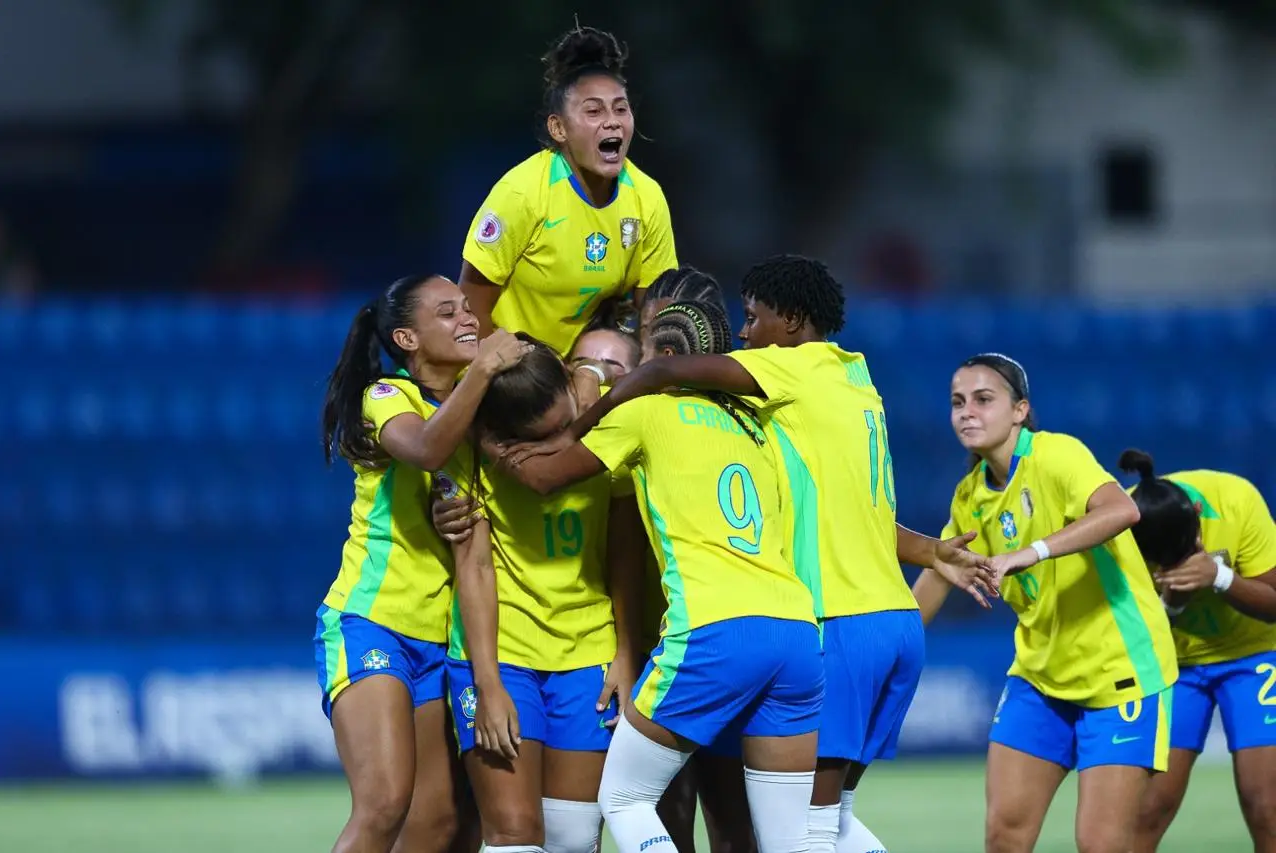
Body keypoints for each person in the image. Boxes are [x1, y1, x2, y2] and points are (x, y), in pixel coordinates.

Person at [533, 255, 995, 853]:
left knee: (798, 829)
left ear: (794, 320)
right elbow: (858, 513)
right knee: (822, 824)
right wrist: (930, 550)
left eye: (753, 319)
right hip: (886, 623)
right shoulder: (854, 382)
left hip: (833, 620)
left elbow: (659, 375)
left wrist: (591, 410)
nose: (746, 334)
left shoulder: (788, 375)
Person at [494, 298, 824, 853]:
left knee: (623, 798)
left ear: (667, 357)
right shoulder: (759, 427)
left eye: (644, 354)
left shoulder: (647, 413)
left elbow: (547, 477)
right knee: (794, 837)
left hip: (716, 627)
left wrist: (488, 444)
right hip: (795, 632)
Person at [316, 274, 529, 853]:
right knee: (384, 804)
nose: (469, 320)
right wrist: (485, 367)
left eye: (468, 309)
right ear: (407, 338)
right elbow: (428, 448)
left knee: (437, 826)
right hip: (372, 621)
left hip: (440, 640)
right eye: (447, 312)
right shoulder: (387, 397)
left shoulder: (479, 411)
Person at [942, 354, 1178, 853]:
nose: (968, 412)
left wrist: (1030, 553)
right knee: (1004, 836)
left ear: (1020, 410)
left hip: (1119, 675)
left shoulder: (1055, 456)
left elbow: (1123, 509)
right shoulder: (969, 496)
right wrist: (892, 641)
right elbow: (938, 575)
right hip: (1040, 676)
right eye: (958, 402)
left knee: (1100, 845)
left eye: (984, 400)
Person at [438, 338, 635, 853]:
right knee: (515, 836)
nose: (559, 445)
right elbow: (475, 568)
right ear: (503, 435)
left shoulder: (616, 410)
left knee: (574, 837)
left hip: (588, 652)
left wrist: (625, 653)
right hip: (504, 654)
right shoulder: (471, 448)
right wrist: (488, 685)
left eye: (565, 426)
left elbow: (624, 551)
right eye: (540, 439)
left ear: (573, 381)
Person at [459, 24, 677, 357]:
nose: (612, 122)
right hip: (514, 372)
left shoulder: (647, 197)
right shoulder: (523, 193)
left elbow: (654, 317)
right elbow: (472, 312)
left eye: (621, 109)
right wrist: (518, 384)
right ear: (558, 128)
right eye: (594, 111)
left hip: (591, 370)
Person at [1119, 451, 1276, 852]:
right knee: (1147, 811)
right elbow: (1124, 632)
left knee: (1267, 807)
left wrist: (1220, 578)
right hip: (1174, 665)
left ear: (1198, 518)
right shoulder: (1117, 524)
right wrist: (1172, 603)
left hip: (1255, 656)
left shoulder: (1235, 500)